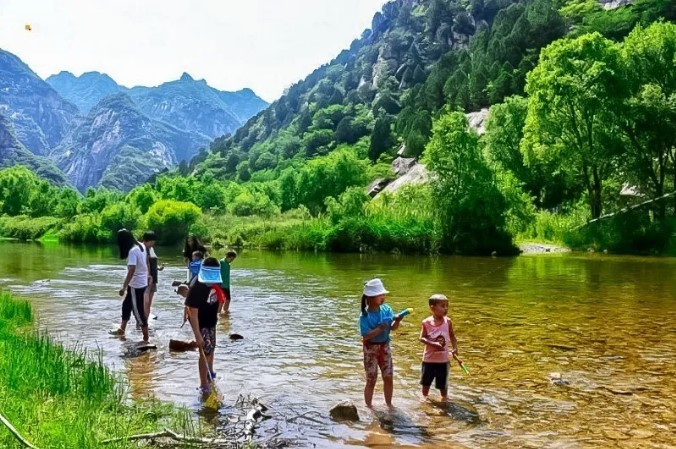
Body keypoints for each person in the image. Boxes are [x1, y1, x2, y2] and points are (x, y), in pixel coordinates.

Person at [359, 278, 404, 407]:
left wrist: (398, 321)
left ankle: (389, 405)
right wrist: (380, 328)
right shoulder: (364, 316)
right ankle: (369, 407)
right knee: (371, 379)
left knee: (388, 377)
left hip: (385, 346)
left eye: (383, 294)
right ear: (371, 297)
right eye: (380, 295)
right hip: (370, 349)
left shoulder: (387, 309)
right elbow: (366, 336)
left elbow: (393, 328)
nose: (383, 297)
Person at [185, 257, 225, 393]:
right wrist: (197, 335)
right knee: (204, 351)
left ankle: (210, 372)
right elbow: (192, 313)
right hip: (200, 322)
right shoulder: (197, 288)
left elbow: (218, 305)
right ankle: (203, 384)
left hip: (211, 320)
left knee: (211, 348)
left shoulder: (216, 285)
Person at [110, 229, 150, 342]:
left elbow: (132, 269)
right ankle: (121, 330)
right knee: (126, 306)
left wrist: (124, 286)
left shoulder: (132, 251)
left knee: (138, 312)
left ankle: (146, 338)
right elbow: (145, 262)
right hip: (141, 282)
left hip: (136, 285)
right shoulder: (141, 245)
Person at [419, 294, 458, 402]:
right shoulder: (426, 322)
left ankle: (444, 401)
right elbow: (422, 338)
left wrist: (455, 348)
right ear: (432, 308)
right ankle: (424, 402)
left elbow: (453, 336)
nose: (445, 308)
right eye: (442, 306)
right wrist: (433, 344)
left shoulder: (448, 321)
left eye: (447, 306)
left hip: (443, 360)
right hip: (429, 360)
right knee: (426, 384)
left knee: (443, 385)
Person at [143, 231, 163, 319]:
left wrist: (158, 267)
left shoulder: (150, 249)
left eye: (153, 242)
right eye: (151, 242)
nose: (152, 244)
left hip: (153, 278)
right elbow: (144, 263)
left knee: (149, 301)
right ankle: (141, 321)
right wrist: (147, 275)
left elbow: (152, 261)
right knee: (145, 301)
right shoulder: (142, 249)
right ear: (146, 241)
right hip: (146, 279)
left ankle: (145, 320)